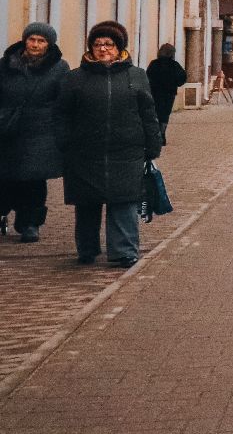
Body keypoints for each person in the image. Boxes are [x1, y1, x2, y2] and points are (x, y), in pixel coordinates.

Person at [56, 22, 160, 268]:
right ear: (90, 48)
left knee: (123, 202)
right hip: (84, 152)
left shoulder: (136, 76)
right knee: (87, 203)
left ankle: (124, 251)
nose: (103, 49)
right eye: (97, 44)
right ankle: (87, 249)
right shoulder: (75, 78)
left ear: (119, 47)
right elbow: (62, 114)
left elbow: (148, 113)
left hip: (127, 151)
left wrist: (152, 144)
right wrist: (64, 142)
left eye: (109, 44)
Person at [0, 23, 69, 242]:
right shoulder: (6, 64)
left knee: (33, 180)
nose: (35, 45)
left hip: (40, 131)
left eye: (41, 41)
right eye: (32, 40)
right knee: (5, 177)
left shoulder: (59, 68)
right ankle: (3, 215)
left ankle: (30, 223)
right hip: (7, 129)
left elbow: (63, 101)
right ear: (24, 40)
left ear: (49, 44)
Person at [145, 43, 187, 144]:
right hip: (169, 93)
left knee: (155, 113)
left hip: (154, 93)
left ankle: (155, 135)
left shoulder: (154, 64)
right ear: (171, 53)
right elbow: (182, 77)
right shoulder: (174, 65)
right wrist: (176, 83)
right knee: (165, 114)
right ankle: (162, 135)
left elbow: (147, 77)